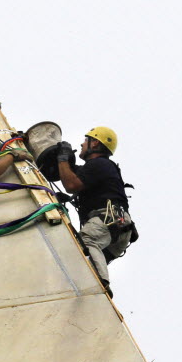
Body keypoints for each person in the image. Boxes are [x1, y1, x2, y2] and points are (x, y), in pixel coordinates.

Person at [56, 126, 136, 298]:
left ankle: (100, 285)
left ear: (95, 143)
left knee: (87, 241)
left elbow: (71, 184)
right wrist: (64, 163)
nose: (82, 144)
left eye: (86, 140)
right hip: (118, 228)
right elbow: (69, 176)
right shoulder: (96, 168)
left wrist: (62, 158)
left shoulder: (99, 164)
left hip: (109, 220)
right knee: (83, 260)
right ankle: (90, 283)